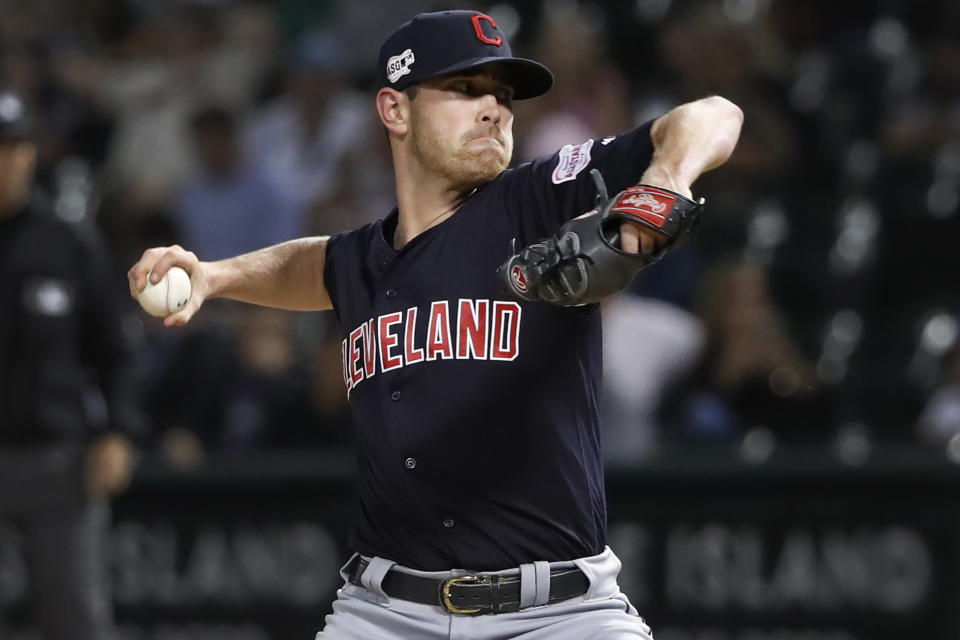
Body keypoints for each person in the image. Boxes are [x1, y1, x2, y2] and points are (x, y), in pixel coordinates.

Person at [128, 10, 742, 639]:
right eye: (465, 89)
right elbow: (312, 263)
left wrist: (664, 179)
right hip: (384, 613)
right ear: (395, 110)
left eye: (501, 96)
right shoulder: (362, 259)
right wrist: (214, 276)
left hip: (561, 612)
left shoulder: (537, 200)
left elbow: (713, 114)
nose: (493, 109)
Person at [0, 87, 138, 639]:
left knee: (74, 618)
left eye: (12, 146)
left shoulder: (66, 244)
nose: (4, 160)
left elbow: (118, 351)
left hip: (57, 464)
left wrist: (120, 432)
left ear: (31, 154)